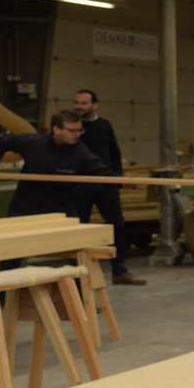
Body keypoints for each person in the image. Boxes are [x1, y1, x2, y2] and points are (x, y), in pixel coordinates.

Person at [71, 88, 144, 286]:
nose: (79, 107)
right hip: (80, 185)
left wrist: (117, 179)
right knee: (79, 228)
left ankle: (119, 271)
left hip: (105, 184)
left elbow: (114, 152)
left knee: (117, 226)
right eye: (77, 102)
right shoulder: (72, 127)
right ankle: (78, 275)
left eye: (84, 103)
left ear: (95, 105)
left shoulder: (104, 125)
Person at [0, 110, 106, 217]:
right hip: (25, 208)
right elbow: (2, 143)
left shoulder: (81, 152)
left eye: (79, 131)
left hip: (60, 211)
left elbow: (102, 171)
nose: (77, 135)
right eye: (72, 131)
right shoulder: (34, 143)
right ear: (56, 129)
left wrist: (118, 179)